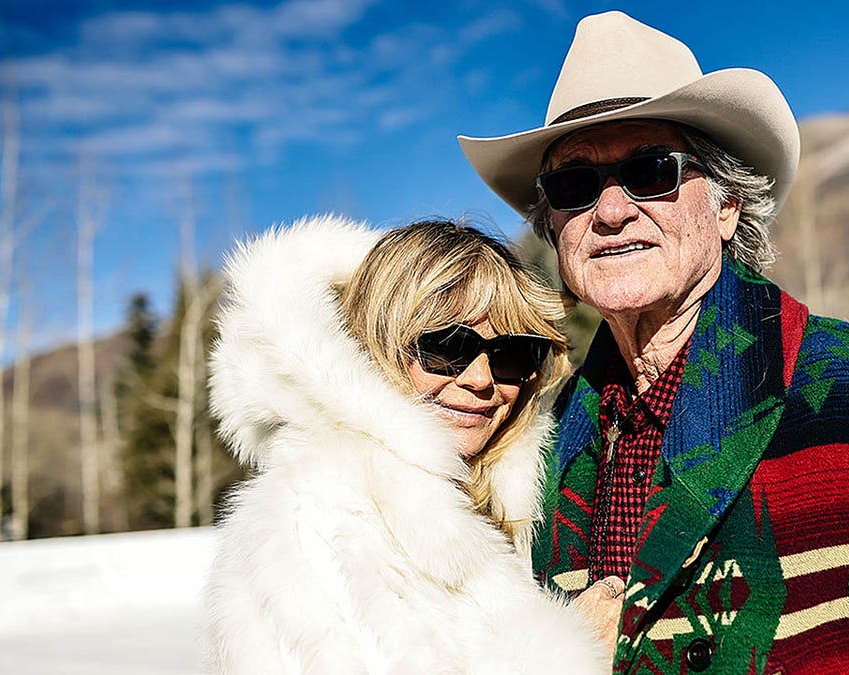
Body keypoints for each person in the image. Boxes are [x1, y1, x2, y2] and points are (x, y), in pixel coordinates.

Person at [459, 11, 849, 673]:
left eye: (651, 170)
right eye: (574, 185)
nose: (611, 209)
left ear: (726, 205)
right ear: (553, 223)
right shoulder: (534, 442)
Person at [203, 215, 622, 673]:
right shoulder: (321, 515)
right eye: (446, 347)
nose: (482, 380)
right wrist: (575, 649)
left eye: (512, 354)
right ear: (373, 348)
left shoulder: (488, 503)